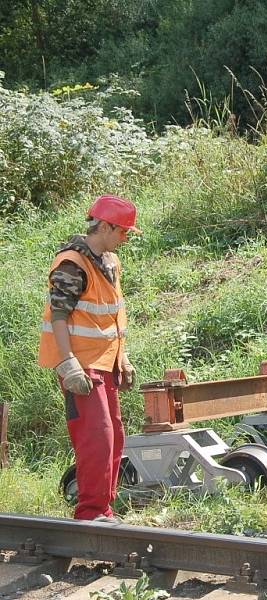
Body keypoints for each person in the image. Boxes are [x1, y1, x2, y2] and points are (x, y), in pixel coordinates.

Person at [38, 194, 139, 521]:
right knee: (97, 437)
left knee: (114, 436)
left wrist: (122, 358)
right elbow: (59, 317)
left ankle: (103, 511)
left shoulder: (110, 262)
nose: (125, 238)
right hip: (81, 366)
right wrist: (68, 365)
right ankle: (90, 514)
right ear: (106, 226)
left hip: (105, 362)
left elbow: (111, 316)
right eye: (123, 231)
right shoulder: (72, 264)